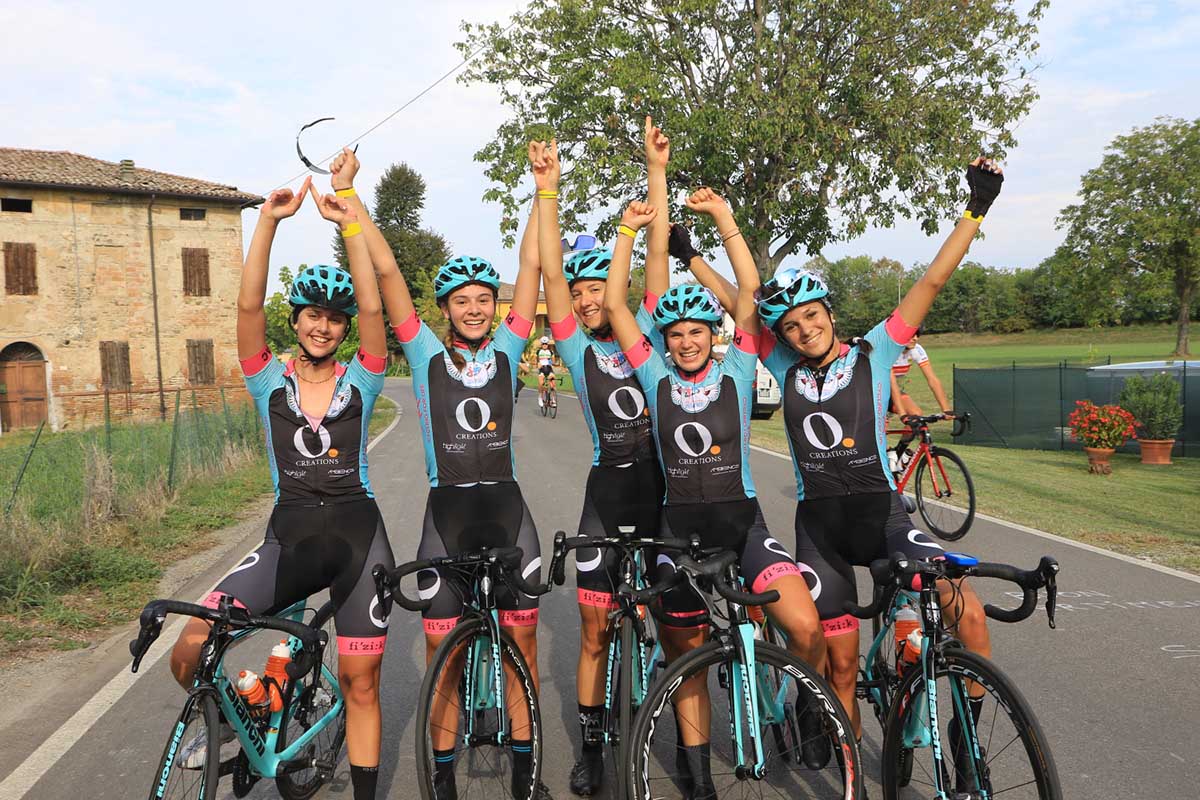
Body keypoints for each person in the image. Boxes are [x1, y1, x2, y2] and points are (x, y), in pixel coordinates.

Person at [743, 159, 1005, 766]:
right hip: (822, 534)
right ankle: (853, 770)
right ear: (781, 336)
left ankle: (967, 738)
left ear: (830, 314)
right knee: (839, 667)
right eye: (792, 324)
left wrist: (977, 207)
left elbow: (932, 283)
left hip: (883, 516)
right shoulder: (783, 366)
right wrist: (697, 251)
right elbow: (744, 301)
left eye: (812, 316)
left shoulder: (876, 349)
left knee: (960, 604)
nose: (805, 329)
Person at [327, 148, 550, 800]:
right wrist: (350, 199)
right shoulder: (422, 352)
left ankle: (525, 773)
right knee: (442, 656)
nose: (476, 309)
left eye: (485, 300)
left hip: (508, 512)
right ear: (445, 309)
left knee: (524, 647)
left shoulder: (510, 348)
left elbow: (532, 267)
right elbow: (388, 269)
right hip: (444, 517)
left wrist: (543, 191)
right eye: (463, 301)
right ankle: (444, 778)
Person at [168, 175, 395, 800]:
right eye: (312, 315)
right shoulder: (268, 381)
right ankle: (238, 719)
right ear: (295, 321)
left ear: (344, 329)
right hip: (288, 538)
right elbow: (245, 310)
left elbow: (376, 305)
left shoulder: (366, 379)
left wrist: (348, 220)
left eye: (333, 319)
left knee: (362, 683)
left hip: (357, 540)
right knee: (187, 650)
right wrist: (269, 220)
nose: (322, 326)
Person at [604, 189, 826, 798]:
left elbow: (751, 297)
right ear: (665, 341)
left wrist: (725, 219)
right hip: (679, 536)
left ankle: (803, 702)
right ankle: (699, 777)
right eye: (674, 334)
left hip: (744, 527)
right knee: (689, 658)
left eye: (696, 331)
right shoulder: (653, 376)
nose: (685, 342)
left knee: (804, 626)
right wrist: (627, 230)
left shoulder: (734, 372)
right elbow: (618, 306)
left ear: (713, 334)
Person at [528, 118, 670, 797]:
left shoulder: (651, 335)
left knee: (680, 621)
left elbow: (659, 251)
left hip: (665, 494)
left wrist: (655, 172)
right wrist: (547, 192)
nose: (586, 298)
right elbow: (551, 272)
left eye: (596, 290)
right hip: (606, 492)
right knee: (591, 628)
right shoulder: (580, 352)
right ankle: (590, 746)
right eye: (579, 294)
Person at [889, 329, 954, 454]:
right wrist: (902, 414)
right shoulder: (889, 350)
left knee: (916, 415)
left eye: (917, 335)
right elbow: (891, 383)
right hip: (872, 391)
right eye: (911, 335)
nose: (915, 338)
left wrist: (946, 409)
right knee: (878, 431)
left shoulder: (917, 350)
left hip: (893, 390)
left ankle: (898, 453)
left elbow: (932, 379)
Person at [535, 335, 557, 408]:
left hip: (549, 369)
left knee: (553, 383)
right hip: (542, 369)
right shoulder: (538, 352)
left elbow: (553, 362)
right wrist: (538, 364)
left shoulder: (551, 352)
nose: (544, 345)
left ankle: (553, 400)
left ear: (548, 344)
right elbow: (537, 362)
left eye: (546, 344)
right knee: (541, 383)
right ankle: (540, 397)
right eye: (543, 344)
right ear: (541, 344)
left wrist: (551, 360)